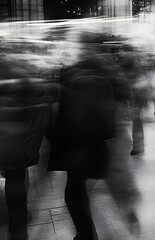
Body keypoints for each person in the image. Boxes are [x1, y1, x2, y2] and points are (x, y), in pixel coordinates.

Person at [48, 54, 116, 240]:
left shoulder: (74, 82)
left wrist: (55, 138)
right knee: (78, 189)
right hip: (96, 146)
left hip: (77, 148)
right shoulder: (102, 80)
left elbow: (68, 120)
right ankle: (86, 233)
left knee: (73, 193)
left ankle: (86, 235)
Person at [0, 57, 52, 240]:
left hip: (10, 139)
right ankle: (18, 230)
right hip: (16, 143)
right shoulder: (23, 78)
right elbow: (40, 110)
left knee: (14, 180)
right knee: (16, 180)